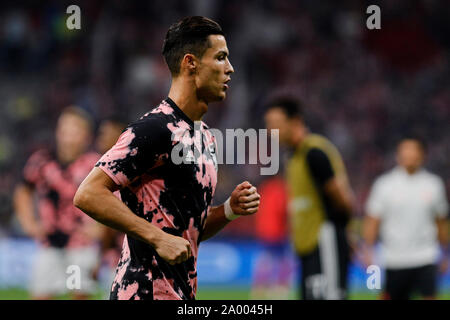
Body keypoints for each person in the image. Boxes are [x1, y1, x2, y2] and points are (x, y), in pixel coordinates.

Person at [73, 16, 260, 300]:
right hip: (141, 293)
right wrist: (156, 237)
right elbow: (88, 193)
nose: (230, 69)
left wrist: (229, 210)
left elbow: (185, 231)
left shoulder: (205, 138)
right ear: (190, 63)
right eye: (221, 58)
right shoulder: (154, 129)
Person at [264, 97, 354, 300]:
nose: (270, 131)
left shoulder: (314, 152)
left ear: (295, 122)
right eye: (269, 125)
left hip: (325, 239)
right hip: (307, 245)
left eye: (275, 125)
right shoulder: (293, 157)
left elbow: (342, 199)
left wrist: (344, 232)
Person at [13, 106, 101, 300]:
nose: (68, 135)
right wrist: (28, 222)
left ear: (86, 136)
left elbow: (112, 196)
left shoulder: (94, 164)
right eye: (65, 129)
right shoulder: (42, 161)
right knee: (41, 295)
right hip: (49, 243)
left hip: (80, 243)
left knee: (79, 294)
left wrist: (100, 228)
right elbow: (23, 190)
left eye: (75, 129)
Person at [362, 137, 449, 300]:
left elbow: (440, 222)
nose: (409, 154)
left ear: (422, 155)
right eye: (405, 150)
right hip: (393, 258)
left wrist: (445, 254)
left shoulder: (433, 185)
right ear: (398, 154)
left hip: (425, 257)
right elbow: (372, 221)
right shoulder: (384, 185)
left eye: (413, 150)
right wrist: (368, 251)